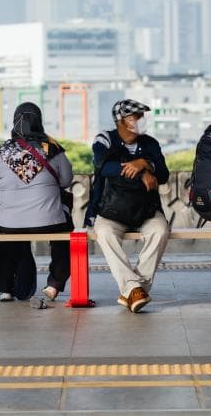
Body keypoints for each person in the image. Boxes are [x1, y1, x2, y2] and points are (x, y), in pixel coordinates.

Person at [85, 99, 170, 313]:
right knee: (104, 233)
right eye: (136, 116)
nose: (141, 120)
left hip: (146, 210)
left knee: (160, 230)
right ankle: (134, 289)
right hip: (111, 210)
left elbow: (163, 174)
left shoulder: (150, 143)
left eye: (142, 116)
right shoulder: (105, 139)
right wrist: (141, 173)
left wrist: (144, 163)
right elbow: (104, 167)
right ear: (121, 121)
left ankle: (133, 289)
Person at [0, 102, 74, 302]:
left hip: (9, 223)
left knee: (5, 238)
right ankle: (54, 283)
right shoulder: (53, 148)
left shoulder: (1, 152)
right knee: (65, 236)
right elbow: (66, 181)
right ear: (39, 122)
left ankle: (6, 289)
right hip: (50, 221)